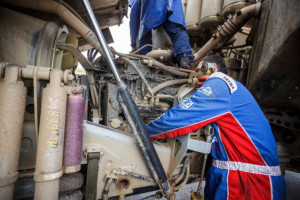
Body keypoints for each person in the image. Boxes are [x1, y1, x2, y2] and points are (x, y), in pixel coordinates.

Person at [146, 55, 286, 199]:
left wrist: (143, 131)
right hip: (230, 170)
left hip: (250, 180)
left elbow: (180, 118)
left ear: (212, 68)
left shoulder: (220, 83)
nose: (196, 76)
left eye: (200, 70)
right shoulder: (230, 88)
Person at [129, 0, 194, 69]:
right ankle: (185, 58)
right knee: (177, 31)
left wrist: (133, 43)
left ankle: (142, 63)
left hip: (152, 4)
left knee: (144, 36)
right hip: (173, 4)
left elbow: (134, 17)